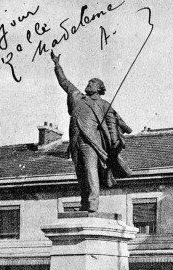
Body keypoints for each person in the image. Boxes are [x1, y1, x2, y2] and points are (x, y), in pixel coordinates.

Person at [50, 51, 133, 212]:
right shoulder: (77, 98)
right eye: (88, 82)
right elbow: (65, 83)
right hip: (75, 142)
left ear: (99, 88)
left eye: (92, 82)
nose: (88, 84)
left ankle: (93, 205)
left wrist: (115, 142)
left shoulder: (103, 105)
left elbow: (111, 125)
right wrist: (57, 65)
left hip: (92, 144)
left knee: (90, 172)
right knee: (81, 175)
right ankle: (84, 204)